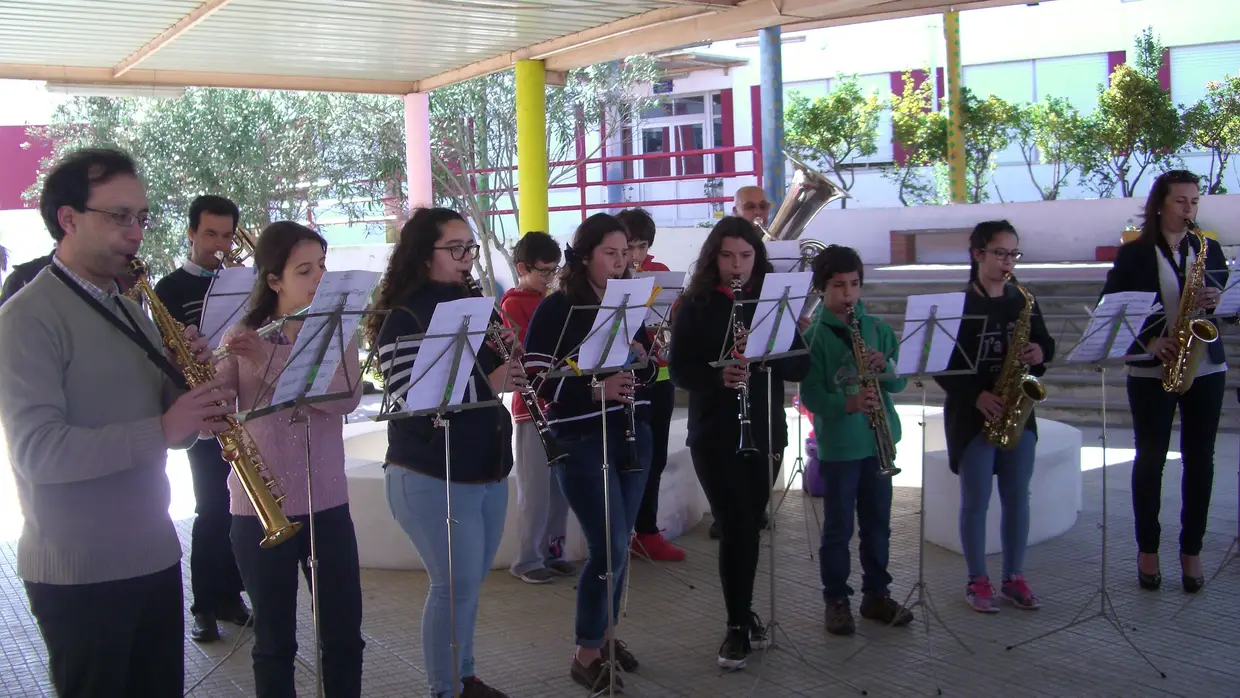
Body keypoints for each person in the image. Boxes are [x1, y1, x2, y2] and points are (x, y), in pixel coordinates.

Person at [0, 147, 232, 697]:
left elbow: (174, 429)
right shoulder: (25, 319)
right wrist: (165, 428)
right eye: (120, 216)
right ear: (68, 218)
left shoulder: (131, 309)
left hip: (152, 553)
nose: (136, 232)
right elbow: (38, 453)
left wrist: (187, 380)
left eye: (142, 217)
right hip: (79, 573)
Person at [368, 207, 521, 698]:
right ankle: (445, 688)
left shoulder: (474, 304)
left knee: (469, 586)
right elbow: (413, 397)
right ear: (423, 254)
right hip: (431, 472)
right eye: (455, 248)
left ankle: (465, 676)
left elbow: (496, 370)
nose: (467, 259)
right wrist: (489, 380)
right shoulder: (404, 315)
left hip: (486, 467)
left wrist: (509, 353)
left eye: (470, 248)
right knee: (451, 587)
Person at [214, 221, 365, 697]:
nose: (319, 277)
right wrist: (210, 369)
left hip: (328, 505)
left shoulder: (335, 330)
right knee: (274, 642)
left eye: (322, 265)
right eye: (305, 270)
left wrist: (268, 362)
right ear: (273, 279)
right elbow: (212, 415)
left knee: (343, 637)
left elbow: (344, 399)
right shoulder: (243, 334)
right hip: (258, 509)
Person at [668, 216, 809, 669]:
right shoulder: (696, 303)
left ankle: (745, 613)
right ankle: (735, 626)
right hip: (714, 433)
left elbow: (801, 369)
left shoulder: (773, 300)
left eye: (745, 256)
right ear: (714, 258)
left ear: (757, 258)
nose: (737, 265)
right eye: (727, 256)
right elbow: (681, 371)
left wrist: (775, 347)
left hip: (765, 428)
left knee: (751, 524)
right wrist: (718, 374)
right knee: (736, 527)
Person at [524, 213, 656, 693]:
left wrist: (644, 363)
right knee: (608, 546)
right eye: (611, 253)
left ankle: (605, 636)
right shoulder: (558, 308)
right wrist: (593, 390)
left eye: (626, 254)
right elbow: (536, 379)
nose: (621, 263)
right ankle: (585, 652)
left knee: (618, 547)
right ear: (583, 256)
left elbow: (647, 366)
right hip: (580, 438)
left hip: (631, 431)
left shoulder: (630, 302)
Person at [1100, 169, 1226, 594]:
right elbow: (1111, 310)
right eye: (1180, 201)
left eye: (1194, 201)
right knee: (1150, 460)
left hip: (1205, 366)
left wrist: (1218, 301)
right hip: (1152, 369)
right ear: (1159, 204)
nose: (1189, 209)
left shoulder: (1209, 249)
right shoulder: (1134, 254)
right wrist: (1150, 340)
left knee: (1200, 461)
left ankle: (1192, 550)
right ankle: (1148, 551)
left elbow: (1226, 311)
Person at [934, 220, 1054, 613]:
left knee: (1018, 497)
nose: (1008, 262)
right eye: (1000, 253)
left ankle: (1014, 577)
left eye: (1013, 254)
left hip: (1017, 412)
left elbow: (1046, 345)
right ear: (978, 254)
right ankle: (977, 579)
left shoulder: (1023, 300)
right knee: (976, 501)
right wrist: (976, 395)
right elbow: (941, 366)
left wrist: (1040, 355)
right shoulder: (957, 305)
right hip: (973, 418)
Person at [800, 245, 913, 636]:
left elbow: (898, 383)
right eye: (837, 286)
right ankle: (836, 599)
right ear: (821, 289)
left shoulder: (878, 328)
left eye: (854, 284)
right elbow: (811, 396)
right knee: (837, 528)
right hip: (840, 447)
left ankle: (876, 594)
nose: (848, 294)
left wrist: (888, 367)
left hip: (878, 441)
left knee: (878, 524)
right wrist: (848, 402)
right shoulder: (814, 337)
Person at [153, 194, 250, 643]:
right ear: (191, 233)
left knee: (242, 507)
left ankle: (231, 597)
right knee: (211, 507)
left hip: (245, 406)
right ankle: (204, 606)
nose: (220, 244)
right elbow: (164, 356)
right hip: (203, 410)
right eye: (210, 234)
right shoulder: (169, 288)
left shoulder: (245, 283)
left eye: (227, 235)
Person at [503, 230, 576, 585]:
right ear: (522, 268)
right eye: (544, 271)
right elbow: (524, 349)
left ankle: (554, 552)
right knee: (535, 489)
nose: (550, 278)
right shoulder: (512, 302)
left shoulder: (558, 300)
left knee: (560, 487)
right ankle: (527, 559)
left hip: (558, 401)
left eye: (554, 270)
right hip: (529, 406)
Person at [617, 207, 685, 562]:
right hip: (624, 379)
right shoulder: (610, 277)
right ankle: (620, 532)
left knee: (655, 456)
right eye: (629, 247)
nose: (636, 256)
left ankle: (646, 531)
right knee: (627, 456)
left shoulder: (660, 275)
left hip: (658, 377)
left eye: (642, 247)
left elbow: (670, 319)